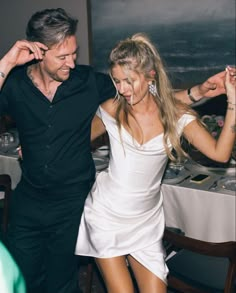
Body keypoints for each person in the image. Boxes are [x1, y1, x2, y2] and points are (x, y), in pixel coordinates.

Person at [0, 7, 233, 293]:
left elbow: (153, 99)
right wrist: (8, 62)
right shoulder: (17, 86)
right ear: (40, 52)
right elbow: (84, 128)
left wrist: (203, 93)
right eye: (63, 56)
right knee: (18, 281)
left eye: (74, 53)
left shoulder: (87, 82)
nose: (72, 63)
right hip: (51, 206)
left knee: (62, 284)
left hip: (103, 211)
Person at [75, 33, 236, 293]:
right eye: (117, 81)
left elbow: (220, 154)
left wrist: (233, 101)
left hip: (146, 221)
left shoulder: (176, 113)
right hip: (106, 216)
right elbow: (75, 139)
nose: (123, 90)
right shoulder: (111, 110)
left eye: (129, 81)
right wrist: (40, 146)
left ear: (150, 75)